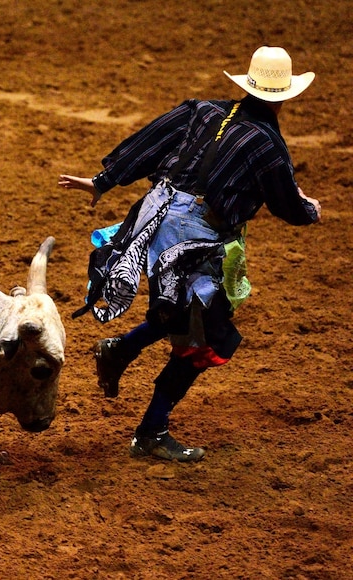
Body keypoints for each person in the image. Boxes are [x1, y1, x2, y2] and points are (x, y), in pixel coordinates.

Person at [58, 46, 321, 462]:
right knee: (203, 338)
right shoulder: (268, 145)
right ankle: (150, 432)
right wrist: (311, 208)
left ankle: (121, 351)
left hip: (154, 215)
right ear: (284, 96)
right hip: (191, 233)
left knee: (182, 315)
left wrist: (104, 180)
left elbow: (153, 137)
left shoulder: (204, 110)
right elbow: (288, 206)